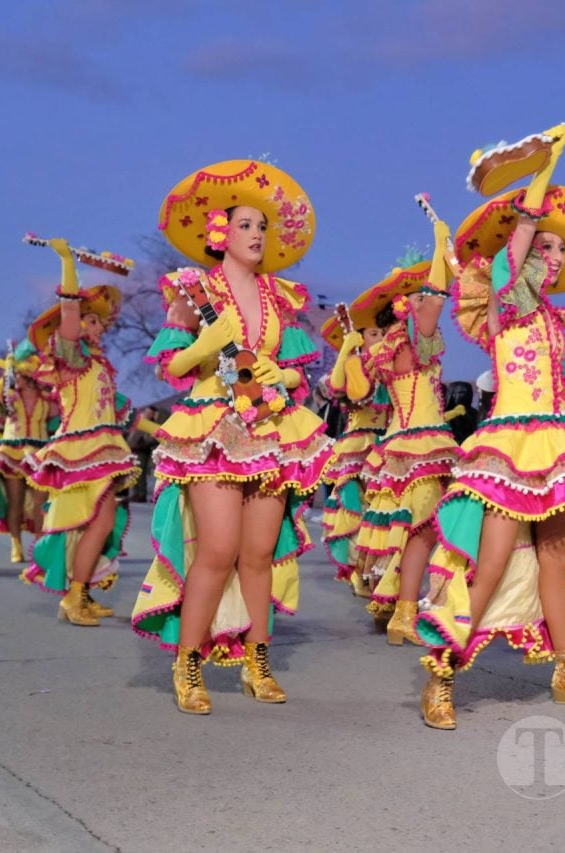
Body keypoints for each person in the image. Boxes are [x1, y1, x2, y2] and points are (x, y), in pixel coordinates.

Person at [414, 126, 565, 730]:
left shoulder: (554, 318)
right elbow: (522, 227)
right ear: (521, 256)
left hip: (551, 445)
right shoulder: (505, 298)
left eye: (560, 254)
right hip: (509, 447)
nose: (553, 260)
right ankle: (443, 675)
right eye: (544, 250)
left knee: (557, 560)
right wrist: (546, 167)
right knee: (492, 562)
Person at [132, 159, 331, 714]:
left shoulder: (280, 298)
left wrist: (282, 375)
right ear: (220, 233)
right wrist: (205, 343)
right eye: (246, 225)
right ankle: (187, 664)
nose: (257, 235)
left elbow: (298, 369)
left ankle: (256, 660)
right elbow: (171, 366)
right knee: (217, 550)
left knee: (259, 553)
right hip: (211, 429)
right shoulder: (193, 290)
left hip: (268, 429)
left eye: (263, 227)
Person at [20, 239, 140, 624]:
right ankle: (74, 597)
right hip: (79, 453)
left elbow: (130, 416)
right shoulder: (71, 358)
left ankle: (81, 592)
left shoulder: (101, 367)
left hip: (103, 450)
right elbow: (69, 306)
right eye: (92, 320)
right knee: (98, 522)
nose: (99, 327)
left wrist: (181, 433)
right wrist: (67, 262)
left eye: (102, 322)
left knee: (101, 524)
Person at [353, 229, 461, 644]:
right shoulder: (406, 340)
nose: (425, 304)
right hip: (420, 443)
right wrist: (439, 251)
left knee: (422, 530)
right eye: (415, 299)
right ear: (403, 309)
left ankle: (406, 609)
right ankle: (409, 610)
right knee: (426, 528)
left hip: (410, 439)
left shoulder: (402, 343)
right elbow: (436, 298)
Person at [319, 308, 389, 598]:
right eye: (374, 333)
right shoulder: (353, 366)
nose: (381, 338)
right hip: (356, 446)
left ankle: (379, 571)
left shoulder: (392, 366)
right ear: (360, 338)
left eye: (383, 333)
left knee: (382, 512)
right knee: (354, 510)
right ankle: (358, 570)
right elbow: (336, 389)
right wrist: (345, 353)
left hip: (387, 444)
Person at [0, 341, 50, 563]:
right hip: (12, 451)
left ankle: (39, 546)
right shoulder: (8, 396)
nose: (17, 379)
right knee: (15, 502)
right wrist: (6, 376)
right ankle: (16, 544)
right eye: (15, 375)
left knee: (39, 503)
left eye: (21, 375)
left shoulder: (48, 400)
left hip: (39, 453)